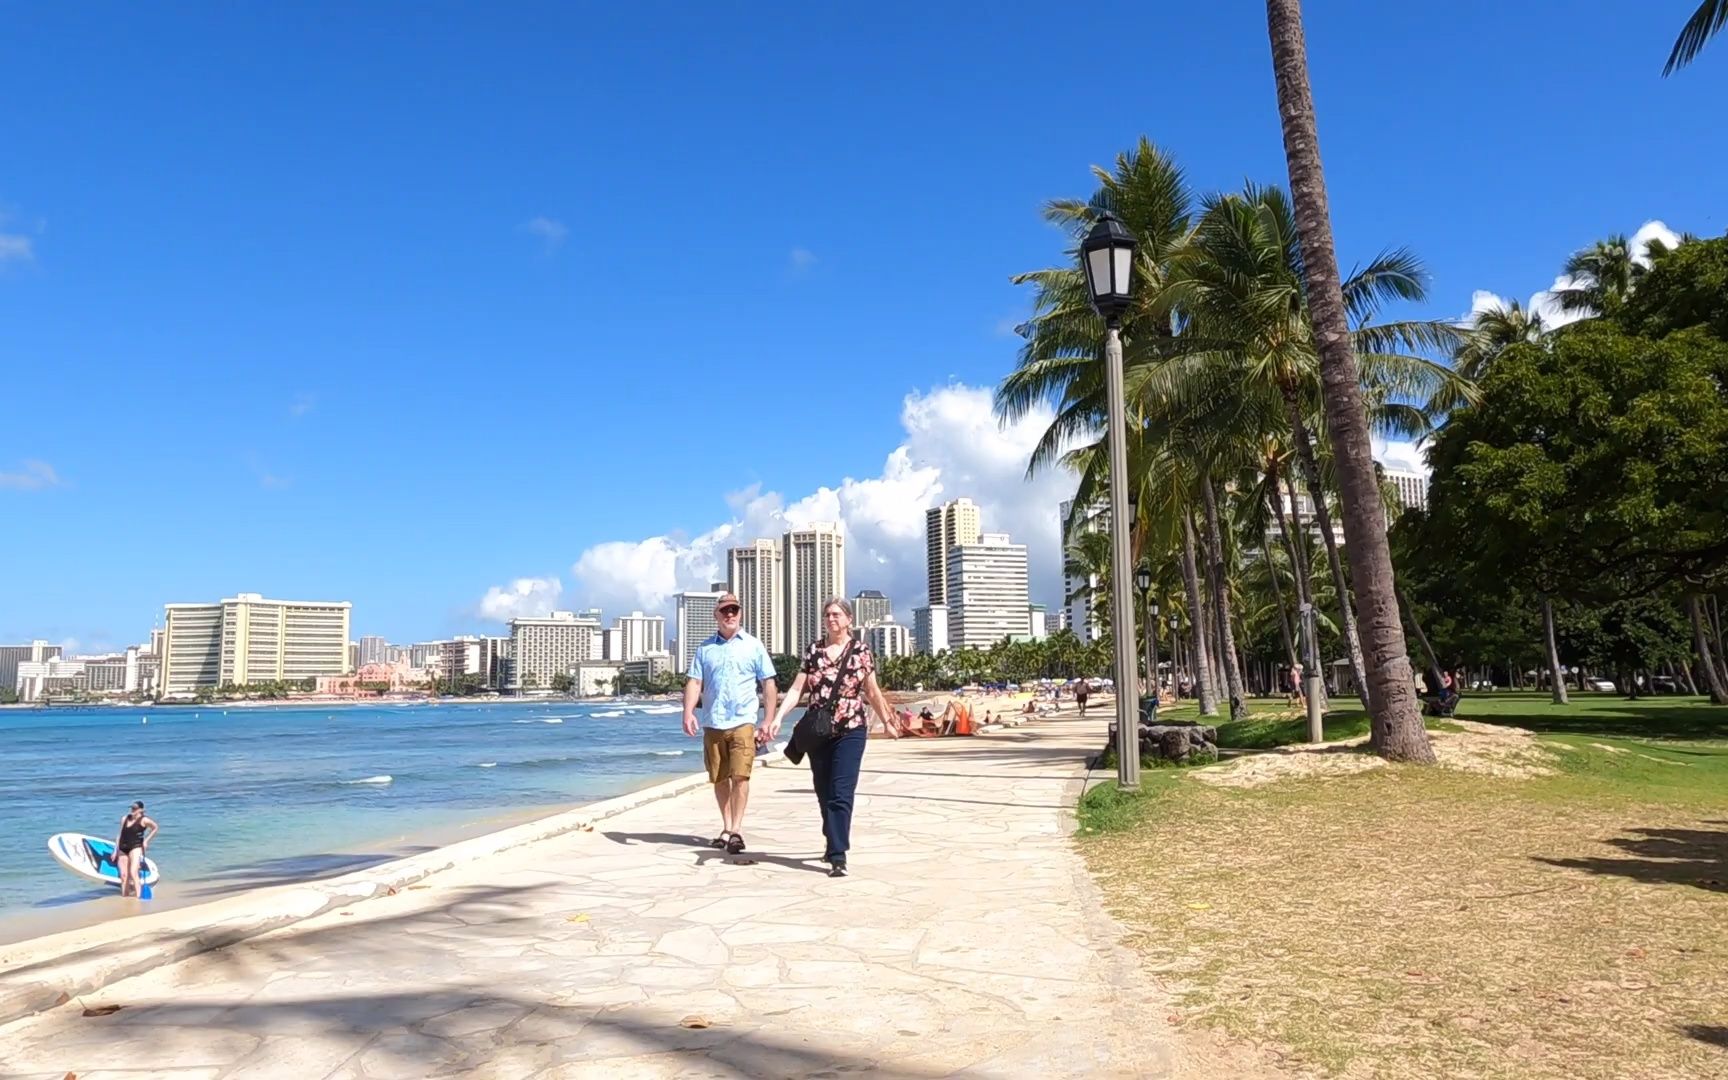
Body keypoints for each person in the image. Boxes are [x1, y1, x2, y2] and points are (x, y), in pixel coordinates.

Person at [767, 597, 897, 878]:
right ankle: (832, 836)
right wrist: (778, 717)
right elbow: (796, 689)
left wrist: (887, 721)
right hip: (819, 732)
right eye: (827, 615)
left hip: (851, 729)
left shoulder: (861, 652)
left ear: (849, 619)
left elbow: (872, 691)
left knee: (841, 792)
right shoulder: (813, 651)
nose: (831, 619)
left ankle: (838, 854)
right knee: (824, 791)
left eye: (837, 614)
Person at [682, 593, 778, 856]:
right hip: (713, 722)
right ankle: (726, 828)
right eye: (724, 611)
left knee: (741, 775)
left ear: (741, 613)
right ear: (716, 615)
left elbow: (768, 682)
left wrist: (768, 719)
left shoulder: (753, 646)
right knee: (720, 778)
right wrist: (688, 711)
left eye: (734, 610)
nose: (730, 615)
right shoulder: (704, 649)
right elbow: (695, 682)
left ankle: (736, 830)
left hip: (743, 721)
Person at [112, 800, 157, 899]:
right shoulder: (125, 819)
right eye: (132, 808)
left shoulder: (144, 820)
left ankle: (139, 898)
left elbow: (155, 828)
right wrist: (115, 850)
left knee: (133, 872)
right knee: (124, 876)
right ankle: (125, 898)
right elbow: (120, 834)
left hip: (135, 847)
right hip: (123, 847)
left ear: (141, 810)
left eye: (135, 808)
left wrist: (146, 841)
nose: (132, 810)